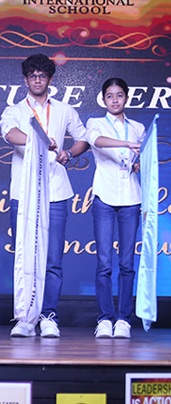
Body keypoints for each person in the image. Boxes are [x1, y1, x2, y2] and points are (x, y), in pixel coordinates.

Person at [0, 53, 89, 338]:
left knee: (52, 259)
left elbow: (84, 138)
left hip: (57, 191)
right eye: (32, 76)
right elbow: (10, 134)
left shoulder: (64, 110)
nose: (37, 80)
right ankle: (25, 317)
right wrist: (39, 141)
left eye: (42, 76)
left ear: (50, 79)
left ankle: (49, 315)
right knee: (25, 255)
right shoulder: (15, 110)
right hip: (23, 193)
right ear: (25, 79)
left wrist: (68, 153)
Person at [86, 78, 145, 339]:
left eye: (119, 95)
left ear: (126, 98)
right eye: (109, 96)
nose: (114, 100)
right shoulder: (95, 123)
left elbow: (141, 158)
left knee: (127, 263)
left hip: (131, 198)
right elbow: (97, 141)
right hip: (104, 197)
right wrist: (127, 145)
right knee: (104, 263)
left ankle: (123, 319)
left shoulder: (138, 127)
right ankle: (105, 319)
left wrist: (138, 163)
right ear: (103, 99)